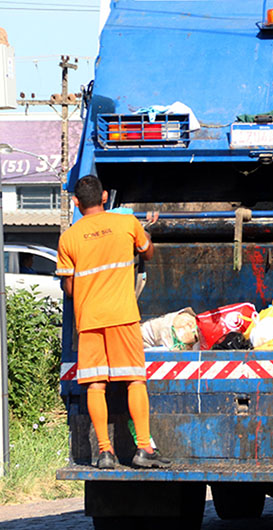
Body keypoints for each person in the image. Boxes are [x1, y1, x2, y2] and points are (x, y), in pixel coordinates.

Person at [56, 175, 170, 469]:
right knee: (134, 379)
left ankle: (105, 452)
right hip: (123, 316)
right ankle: (144, 448)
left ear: (76, 202)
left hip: (90, 321)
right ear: (105, 196)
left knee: (95, 386)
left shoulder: (68, 238)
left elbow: (69, 289)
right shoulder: (127, 223)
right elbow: (149, 252)